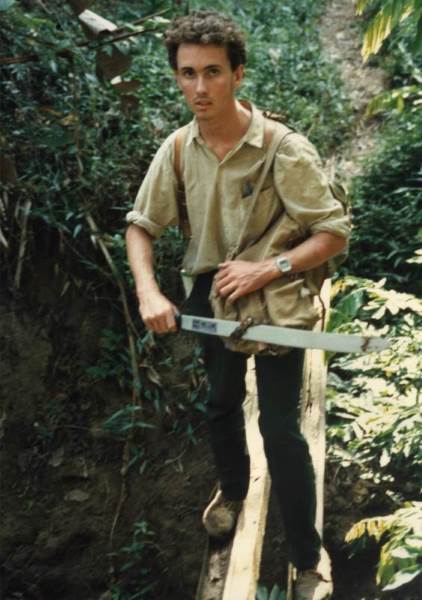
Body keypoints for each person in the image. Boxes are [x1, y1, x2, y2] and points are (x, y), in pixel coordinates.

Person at [125, 10, 350, 600]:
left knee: (280, 431)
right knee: (221, 404)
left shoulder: (283, 149)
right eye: (187, 73)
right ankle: (231, 490)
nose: (199, 88)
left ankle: (308, 556)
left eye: (213, 73)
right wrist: (151, 291)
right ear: (176, 76)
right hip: (209, 295)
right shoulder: (178, 149)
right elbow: (141, 227)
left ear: (238, 75)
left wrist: (267, 267)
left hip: (276, 296)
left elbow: (332, 233)